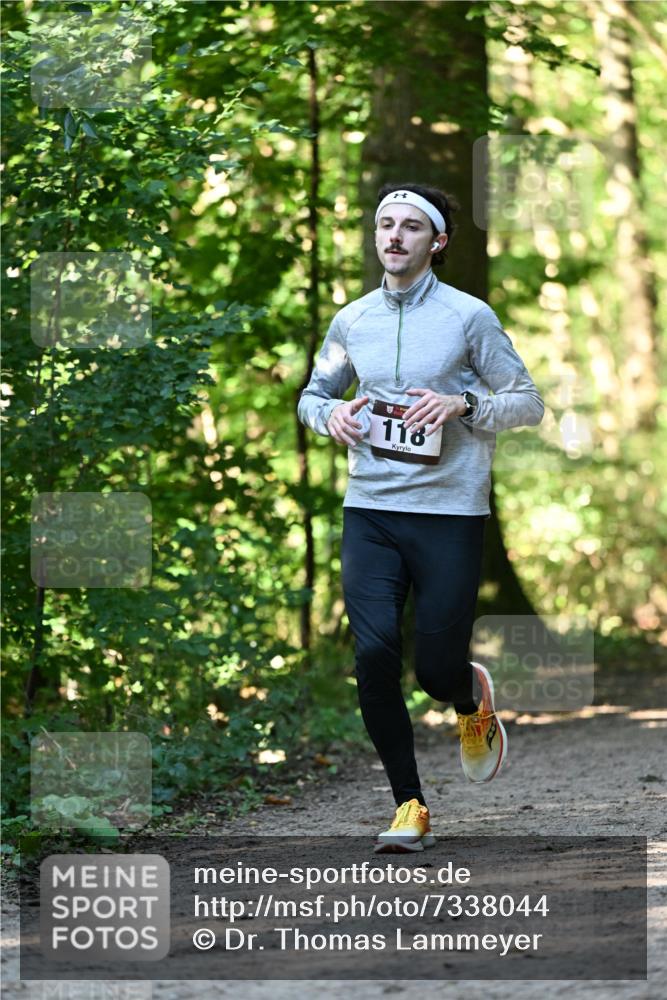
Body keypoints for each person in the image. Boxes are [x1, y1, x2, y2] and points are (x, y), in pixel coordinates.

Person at [297, 182, 545, 853]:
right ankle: (408, 804)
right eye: (384, 224)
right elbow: (312, 395)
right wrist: (332, 414)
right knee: (373, 655)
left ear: (436, 242)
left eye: (410, 227)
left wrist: (464, 404)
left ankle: (466, 696)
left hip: (449, 514)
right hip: (370, 509)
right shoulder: (351, 321)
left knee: (432, 668)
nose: (394, 237)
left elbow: (526, 401)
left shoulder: (469, 318)